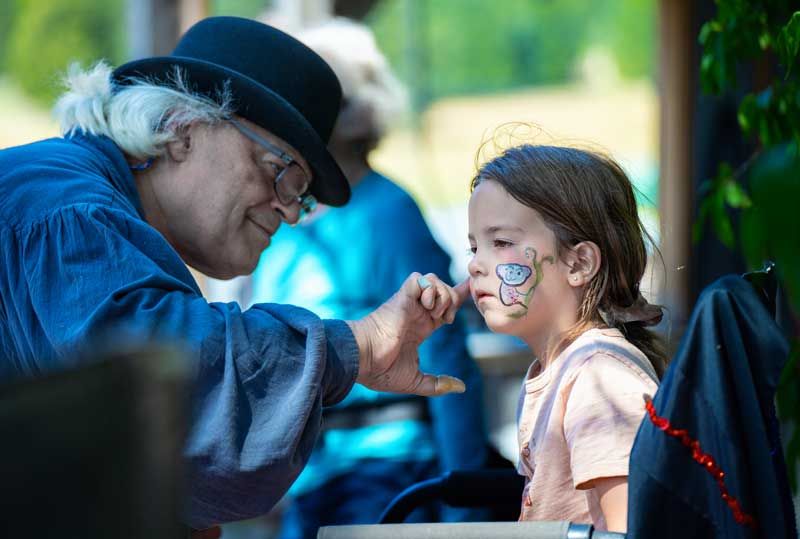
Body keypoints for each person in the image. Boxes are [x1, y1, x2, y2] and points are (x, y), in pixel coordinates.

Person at [0, 16, 469, 532]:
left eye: (302, 193)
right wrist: (360, 344)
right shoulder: (69, 213)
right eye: (280, 171)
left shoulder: (77, 199)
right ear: (179, 129)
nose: (291, 211)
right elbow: (168, 375)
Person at [247, 19, 488, 536]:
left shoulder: (390, 214)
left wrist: (466, 500)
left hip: (387, 470)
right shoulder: (281, 226)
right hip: (307, 479)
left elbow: (446, 349)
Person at [466, 143, 666, 532]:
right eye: (474, 246)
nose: (475, 264)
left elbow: (630, 531)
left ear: (579, 263)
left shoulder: (598, 379)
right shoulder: (557, 370)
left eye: (501, 243)